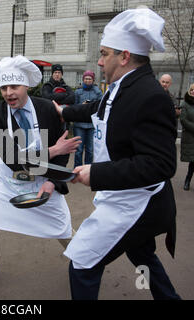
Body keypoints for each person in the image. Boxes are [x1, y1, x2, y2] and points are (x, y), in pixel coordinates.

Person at [54, 8, 181, 300]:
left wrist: (95, 172)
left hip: (138, 204)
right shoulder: (120, 87)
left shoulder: (151, 96)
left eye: (104, 53)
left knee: (83, 263)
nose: (99, 61)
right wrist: (63, 111)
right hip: (124, 197)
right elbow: (98, 110)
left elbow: (161, 164)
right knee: (143, 257)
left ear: (124, 56)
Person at [0, 55, 81, 284]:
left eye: (14, 86)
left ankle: (85, 264)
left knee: (65, 232)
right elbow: (13, 160)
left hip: (43, 181)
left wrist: (52, 182)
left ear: (26, 86)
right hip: (8, 183)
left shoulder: (47, 109)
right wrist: (52, 151)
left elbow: (64, 153)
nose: (8, 93)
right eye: (4, 87)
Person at [73, 70, 103, 167]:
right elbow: (73, 107)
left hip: (91, 124)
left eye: (89, 79)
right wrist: (81, 106)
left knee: (90, 150)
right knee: (79, 149)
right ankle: (77, 169)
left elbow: (100, 106)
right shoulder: (78, 92)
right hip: (79, 124)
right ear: (83, 79)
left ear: (93, 80)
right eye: (86, 78)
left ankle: (88, 169)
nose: (87, 80)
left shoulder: (98, 92)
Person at [180, 83, 194, 191]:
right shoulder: (184, 103)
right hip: (190, 136)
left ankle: (188, 181)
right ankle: (187, 180)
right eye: (192, 89)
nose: (193, 91)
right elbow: (183, 120)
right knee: (192, 161)